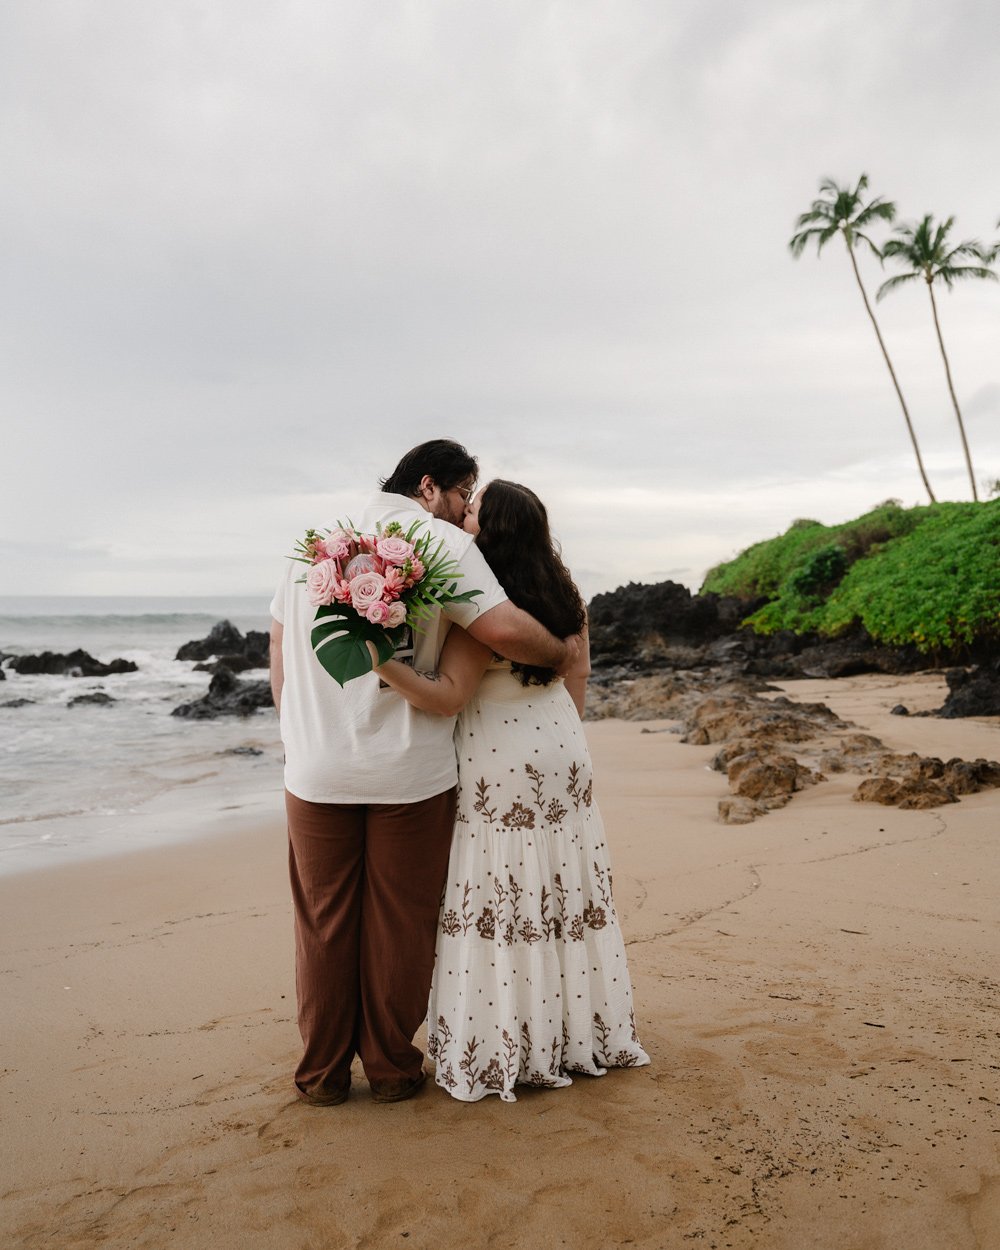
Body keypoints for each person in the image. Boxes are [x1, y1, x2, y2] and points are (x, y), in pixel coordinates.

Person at [269, 441, 575, 1107]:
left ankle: (320, 1075)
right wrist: (561, 648)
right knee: (401, 922)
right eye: (467, 494)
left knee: (322, 922)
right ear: (431, 487)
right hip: (410, 772)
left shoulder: (317, 542)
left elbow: (280, 647)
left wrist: (294, 730)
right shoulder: (441, 543)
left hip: (317, 768)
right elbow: (504, 630)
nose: (470, 513)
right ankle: (389, 1069)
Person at [372, 479, 650, 1101]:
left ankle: (511, 1044)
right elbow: (576, 674)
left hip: (501, 757)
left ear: (491, 529)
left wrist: (382, 664)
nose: (462, 517)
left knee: (504, 892)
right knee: (562, 888)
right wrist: (561, 741)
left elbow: (448, 697)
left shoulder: (483, 612)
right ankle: (581, 1034)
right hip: (560, 743)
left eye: (471, 511)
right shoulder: (564, 594)